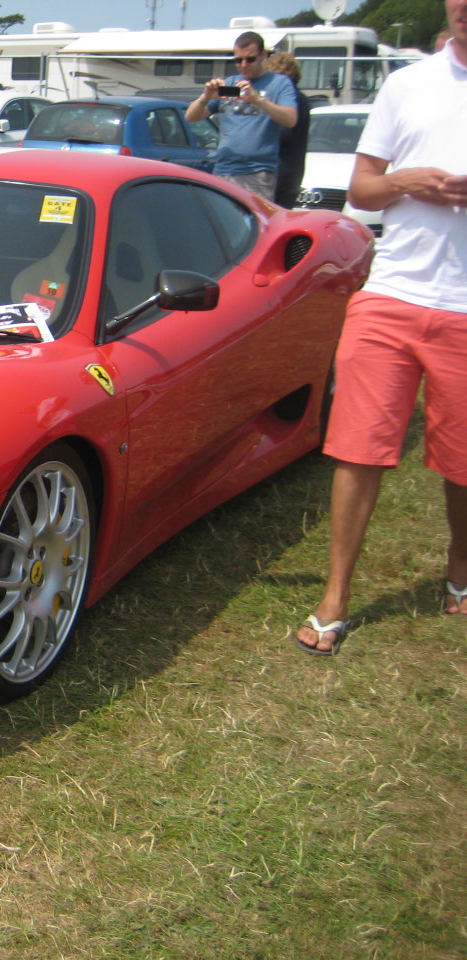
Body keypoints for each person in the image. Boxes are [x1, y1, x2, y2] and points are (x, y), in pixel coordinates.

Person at [296, 0, 467, 655]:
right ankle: (335, 597)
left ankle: (460, 563)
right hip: (391, 295)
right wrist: (406, 180)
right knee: (358, 449)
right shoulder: (407, 84)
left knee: (461, 464)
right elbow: (362, 190)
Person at [184, 31, 298, 202]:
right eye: (238, 60)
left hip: (257, 172)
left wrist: (258, 99)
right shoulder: (229, 83)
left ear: (263, 55)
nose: (244, 64)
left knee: (256, 224)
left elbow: (290, 119)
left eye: (250, 59)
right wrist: (206, 97)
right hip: (223, 170)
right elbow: (191, 117)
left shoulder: (279, 83)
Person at [266, 51, 311, 208]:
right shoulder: (302, 98)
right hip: (293, 172)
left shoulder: (289, 99)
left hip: (276, 172)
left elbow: (283, 134)